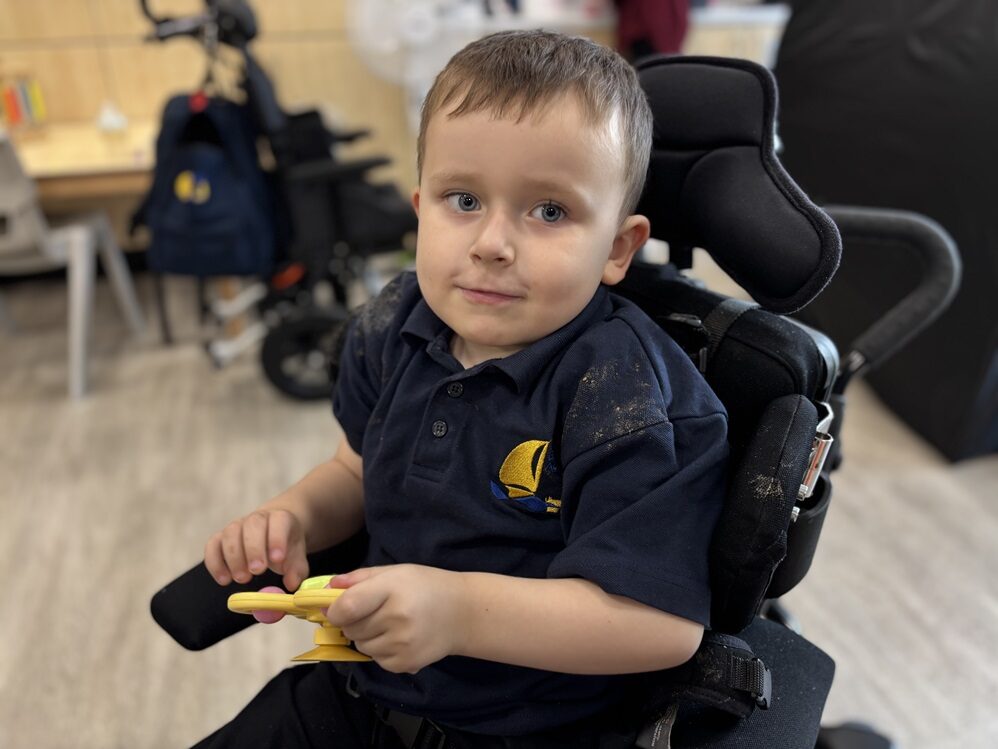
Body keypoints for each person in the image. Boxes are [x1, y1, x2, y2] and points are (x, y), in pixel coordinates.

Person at [199, 29, 728, 749]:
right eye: (464, 199)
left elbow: (658, 625)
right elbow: (354, 470)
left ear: (616, 248)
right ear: (421, 209)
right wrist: (292, 516)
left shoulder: (624, 397)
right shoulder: (393, 324)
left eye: (549, 211)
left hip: (529, 728)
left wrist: (457, 611)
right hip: (361, 685)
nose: (491, 244)